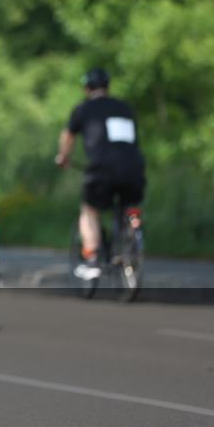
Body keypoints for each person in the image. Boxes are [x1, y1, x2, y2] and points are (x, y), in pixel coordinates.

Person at [55, 68, 146, 280]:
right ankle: (130, 234)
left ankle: (92, 258)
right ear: (107, 86)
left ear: (87, 88)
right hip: (134, 168)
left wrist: (63, 157)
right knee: (128, 204)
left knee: (89, 210)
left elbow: (68, 136)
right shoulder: (125, 108)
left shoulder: (83, 109)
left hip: (102, 169)